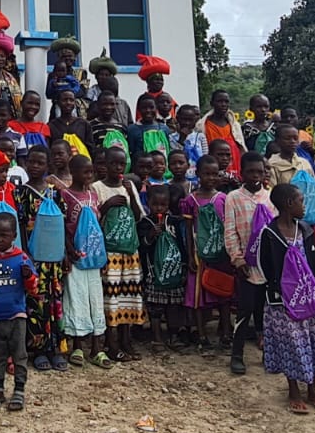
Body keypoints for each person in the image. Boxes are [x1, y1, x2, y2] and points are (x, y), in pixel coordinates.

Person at [257, 183, 315, 413]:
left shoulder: (305, 230)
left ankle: (313, 389)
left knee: (314, 339)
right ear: (289, 204)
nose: (304, 205)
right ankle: (293, 390)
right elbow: (265, 268)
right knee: (292, 345)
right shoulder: (270, 233)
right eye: (301, 201)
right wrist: (280, 294)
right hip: (283, 301)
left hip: (309, 297)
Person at [16, 146, 68, 371]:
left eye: (40, 163)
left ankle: (55, 348)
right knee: (36, 303)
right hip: (34, 258)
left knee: (56, 302)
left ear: (48, 166)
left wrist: (65, 252)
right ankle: (37, 349)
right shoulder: (20, 192)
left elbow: (62, 224)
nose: (35, 166)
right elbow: (19, 224)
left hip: (54, 259)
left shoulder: (54, 192)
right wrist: (25, 254)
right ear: (26, 163)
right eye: (32, 162)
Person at [0, 211, 37, 411]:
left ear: (14, 235)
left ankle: (19, 390)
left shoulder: (21, 259)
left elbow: (33, 287)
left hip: (16, 315)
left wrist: (28, 277)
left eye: (4, 235)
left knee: (19, 355)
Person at [224, 151, 274, 375]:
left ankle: (269, 354)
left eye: (259, 172)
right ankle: (237, 354)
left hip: (268, 264)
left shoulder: (271, 197)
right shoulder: (233, 197)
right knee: (244, 310)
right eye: (250, 171)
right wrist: (237, 259)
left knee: (267, 310)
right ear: (242, 173)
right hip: (246, 263)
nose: (255, 176)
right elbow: (231, 231)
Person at [58, 154, 109, 368]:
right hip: (76, 256)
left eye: (91, 172)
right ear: (73, 172)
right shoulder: (65, 195)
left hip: (94, 256)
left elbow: (98, 226)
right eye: (85, 172)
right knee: (76, 298)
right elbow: (62, 227)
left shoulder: (93, 195)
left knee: (95, 299)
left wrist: (102, 255)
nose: (89, 176)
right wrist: (68, 252)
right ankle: (77, 345)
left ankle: (97, 347)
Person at [95, 150, 145, 362]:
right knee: (111, 298)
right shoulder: (97, 187)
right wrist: (106, 206)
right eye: (113, 163)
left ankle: (126, 340)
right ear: (105, 164)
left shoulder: (129, 185)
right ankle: (111, 343)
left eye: (121, 164)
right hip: (110, 252)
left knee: (128, 296)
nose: (118, 168)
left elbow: (137, 215)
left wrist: (130, 194)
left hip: (129, 250)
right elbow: (93, 219)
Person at [180, 156, 231, 353]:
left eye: (214, 174)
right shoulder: (190, 200)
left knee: (223, 293)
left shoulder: (224, 199)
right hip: (199, 255)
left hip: (220, 254)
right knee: (197, 296)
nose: (211, 178)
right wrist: (190, 256)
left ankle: (226, 333)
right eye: (206, 174)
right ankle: (201, 335)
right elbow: (188, 230)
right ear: (198, 174)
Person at [137, 186, 186, 351]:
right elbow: (141, 247)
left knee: (174, 307)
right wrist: (150, 236)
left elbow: (182, 244)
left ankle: (174, 335)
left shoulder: (175, 222)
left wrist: (184, 265)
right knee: (155, 308)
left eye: (163, 204)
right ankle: (157, 338)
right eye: (155, 204)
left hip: (173, 271)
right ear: (148, 203)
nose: (159, 208)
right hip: (154, 273)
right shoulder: (144, 224)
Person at [202, 90, 245, 178]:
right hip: (213, 169)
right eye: (219, 101)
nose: (223, 104)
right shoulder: (203, 125)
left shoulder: (234, 126)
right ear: (212, 103)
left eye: (226, 101)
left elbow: (241, 147)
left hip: (234, 167)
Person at [134, 54, 176, 121]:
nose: (159, 82)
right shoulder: (143, 98)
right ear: (148, 82)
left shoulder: (167, 97)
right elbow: (139, 118)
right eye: (156, 79)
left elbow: (174, 117)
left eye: (161, 80)